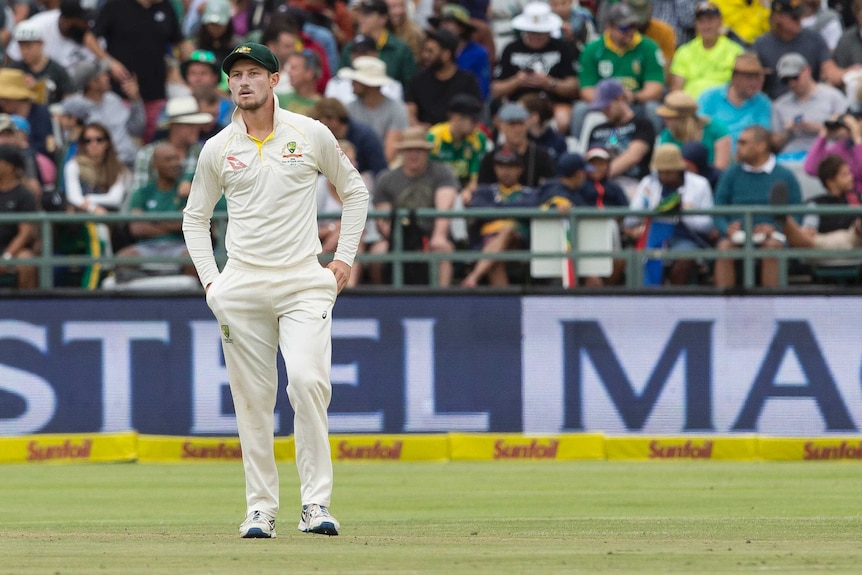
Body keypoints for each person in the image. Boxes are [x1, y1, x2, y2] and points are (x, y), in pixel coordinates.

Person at [183, 42, 368, 539]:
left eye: (253, 73)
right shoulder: (218, 147)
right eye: (235, 75)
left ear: (274, 79)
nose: (243, 82)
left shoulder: (309, 133)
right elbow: (195, 218)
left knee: (307, 382)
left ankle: (315, 505)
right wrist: (212, 283)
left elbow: (355, 193)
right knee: (253, 400)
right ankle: (261, 508)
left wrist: (343, 259)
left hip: (303, 278)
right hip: (241, 283)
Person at [713, 125, 802, 288]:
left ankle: (770, 305)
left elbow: (796, 214)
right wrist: (727, 229)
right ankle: (723, 307)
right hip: (737, 237)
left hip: (773, 237)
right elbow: (718, 210)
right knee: (724, 248)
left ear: (761, 146)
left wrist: (775, 229)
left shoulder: (785, 175)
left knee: (771, 248)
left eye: (743, 143)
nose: (737, 147)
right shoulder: (730, 174)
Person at [369, 125, 458, 286]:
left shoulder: (442, 172)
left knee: (443, 249)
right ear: (402, 152)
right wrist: (403, 242)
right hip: (398, 237)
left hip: (431, 235)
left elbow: (444, 209)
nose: (413, 154)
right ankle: (381, 300)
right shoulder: (386, 179)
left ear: (427, 152)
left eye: (419, 149)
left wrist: (438, 236)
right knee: (378, 252)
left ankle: (442, 300)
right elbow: (383, 221)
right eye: (408, 149)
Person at [93, 0, 192, 143]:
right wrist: (109, 62)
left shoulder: (165, 7)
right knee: (126, 143)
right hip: (122, 91)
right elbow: (90, 38)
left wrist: (198, 65)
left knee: (154, 143)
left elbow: (180, 41)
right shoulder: (114, 5)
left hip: (155, 91)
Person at [624, 143, 717, 286]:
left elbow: (708, 224)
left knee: (685, 257)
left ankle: (674, 299)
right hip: (654, 236)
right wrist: (649, 207)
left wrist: (683, 212)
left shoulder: (700, 184)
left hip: (686, 237)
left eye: (669, 172)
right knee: (644, 258)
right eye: (661, 171)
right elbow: (629, 220)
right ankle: (649, 300)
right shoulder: (648, 183)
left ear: (679, 169)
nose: (664, 176)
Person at [572, 3, 665, 138]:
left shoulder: (649, 47)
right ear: (609, 27)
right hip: (604, 104)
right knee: (580, 109)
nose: (630, 31)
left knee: (653, 108)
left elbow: (655, 88)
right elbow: (586, 90)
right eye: (624, 27)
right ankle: (580, 153)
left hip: (635, 103)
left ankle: (655, 150)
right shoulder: (592, 49)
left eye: (633, 26)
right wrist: (610, 100)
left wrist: (632, 97)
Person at [491, 1, 579, 134]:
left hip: (552, 103)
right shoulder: (511, 49)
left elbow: (574, 86)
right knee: (504, 116)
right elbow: (495, 89)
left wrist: (550, 83)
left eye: (541, 32)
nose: (536, 36)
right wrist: (517, 81)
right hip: (518, 104)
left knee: (563, 118)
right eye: (531, 32)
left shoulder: (562, 48)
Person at [461, 148, 539, 287]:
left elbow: (530, 208)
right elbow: (478, 208)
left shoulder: (530, 193)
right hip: (486, 241)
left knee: (507, 230)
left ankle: (473, 277)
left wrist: (497, 208)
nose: (505, 171)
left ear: (520, 170)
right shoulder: (485, 191)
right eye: (501, 167)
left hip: (517, 242)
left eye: (511, 167)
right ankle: (504, 305)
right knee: (495, 261)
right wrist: (512, 210)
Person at [772, 154, 862, 255]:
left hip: (856, 240)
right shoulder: (816, 204)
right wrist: (808, 229)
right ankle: (784, 219)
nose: (851, 177)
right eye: (845, 175)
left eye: (850, 173)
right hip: (824, 246)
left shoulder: (857, 198)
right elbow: (809, 228)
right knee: (807, 240)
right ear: (830, 182)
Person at [753, 0, 840, 99]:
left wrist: (850, 74)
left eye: (800, 15)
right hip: (775, 104)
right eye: (794, 17)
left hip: (809, 100)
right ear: (778, 17)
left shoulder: (814, 39)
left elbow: (830, 70)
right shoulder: (761, 45)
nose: (800, 20)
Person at [586, 78, 657, 198]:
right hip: (599, 183)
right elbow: (589, 158)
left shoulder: (642, 124)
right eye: (601, 108)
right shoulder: (597, 129)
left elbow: (633, 156)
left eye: (607, 107)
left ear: (619, 99)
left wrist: (603, 173)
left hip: (633, 182)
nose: (604, 111)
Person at [770, 52, 849, 154]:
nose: (792, 83)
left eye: (795, 77)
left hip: (827, 155)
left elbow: (848, 133)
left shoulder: (833, 97)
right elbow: (774, 144)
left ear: (807, 70)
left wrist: (818, 128)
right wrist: (787, 131)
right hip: (791, 156)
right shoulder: (779, 105)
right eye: (786, 80)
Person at [404, 27, 482, 127]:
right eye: (424, 50)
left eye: (430, 51)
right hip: (425, 137)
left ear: (446, 54)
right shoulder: (417, 81)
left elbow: (474, 116)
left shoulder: (468, 81)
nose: (425, 55)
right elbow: (410, 115)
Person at [338, 55, 409, 164]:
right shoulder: (348, 109)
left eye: (356, 80)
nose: (351, 83)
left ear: (368, 85)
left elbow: (389, 153)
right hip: (353, 165)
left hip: (384, 166)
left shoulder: (397, 109)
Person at [698, 52, 773, 152]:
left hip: (747, 158)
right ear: (735, 78)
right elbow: (698, 129)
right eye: (749, 78)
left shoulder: (763, 102)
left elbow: (762, 135)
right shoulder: (709, 97)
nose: (755, 83)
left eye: (757, 77)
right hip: (713, 154)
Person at [669, 2, 745, 99]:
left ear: (720, 22)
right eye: (701, 21)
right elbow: (676, 89)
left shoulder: (736, 51)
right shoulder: (684, 51)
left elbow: (741, 86)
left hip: (724, 107)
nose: (706, 26)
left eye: (710, 20)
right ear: (695, 24)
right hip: (691, 107)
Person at [338, 0, 416, 89]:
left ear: (383, 19)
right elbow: (340, 79)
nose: (361, 19)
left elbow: (410, 85)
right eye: (360, 14)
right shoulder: (350, 47)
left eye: (367, 15)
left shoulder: (400, 49)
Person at [477, 102, 555, 188]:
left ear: (527, 125)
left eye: (521, 124)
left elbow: (550, 189)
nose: (517, 130)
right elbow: (483, 191)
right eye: (512, 124)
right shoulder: (490, 158)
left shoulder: (542, 156)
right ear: (501, 126)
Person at [427, 94, 487, 204]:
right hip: (435, 190)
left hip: (464, 192)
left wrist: (468, 191)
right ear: (456, 118)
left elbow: (475, 177)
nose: (477, 125)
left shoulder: (479, 138)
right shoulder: (434, 137)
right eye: (473, 120)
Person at [311, 97, 389, 177]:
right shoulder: (320, 139)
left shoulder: (366, 137)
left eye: (319, 121)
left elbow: (380, 172)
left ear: (333, 120)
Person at [429, 3, 492, 100]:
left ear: (461, 28)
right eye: (441, 23)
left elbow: (482, 90)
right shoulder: (433, 52)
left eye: (448, 22)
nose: (443, 26)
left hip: (469, 106)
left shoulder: (479, 53)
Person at [657, 90, 732, 170]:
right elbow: (668, 169)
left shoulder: (716, 127)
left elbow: (721, 167)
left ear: (683, 118)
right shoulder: (667, 136)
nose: (664, 120)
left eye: (669, 117)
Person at [7, 18, 74, 105]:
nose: (25, 51)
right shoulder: (14, 69)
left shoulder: (57, 70)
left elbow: (69, 97)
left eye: (28, 46)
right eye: (21, 46)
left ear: (41, 44)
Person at [0, 144, 38, 289]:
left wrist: (6, 257)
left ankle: (27, 308)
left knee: (26, 261)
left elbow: (25, 232)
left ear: (9, 167)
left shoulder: (24, 195)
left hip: (15, 251)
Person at [802, 111, 862, 199]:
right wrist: (824, 134)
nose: (853, 125)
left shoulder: (856, 146)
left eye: (857, 120)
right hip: (843, 203)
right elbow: (811, 168)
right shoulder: (841, 147)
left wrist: (858, 139)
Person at [279, 49, 324, 116]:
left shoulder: (322, 107)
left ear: (309, 73)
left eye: (293, 68)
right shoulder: (279, 99)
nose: (289, 72)